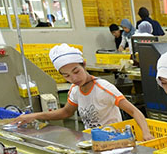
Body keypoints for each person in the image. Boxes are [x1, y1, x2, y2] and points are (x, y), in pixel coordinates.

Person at [9, 44, 152, 140]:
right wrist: (35, 116)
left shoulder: (103, 88)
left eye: (76, 71)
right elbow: (66, 112)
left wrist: (146, 133)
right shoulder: (75, 90)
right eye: (66, 75)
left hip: (113, 140)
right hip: (91, 140)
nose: (73, 78)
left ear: (84, 64)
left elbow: (134, 112)